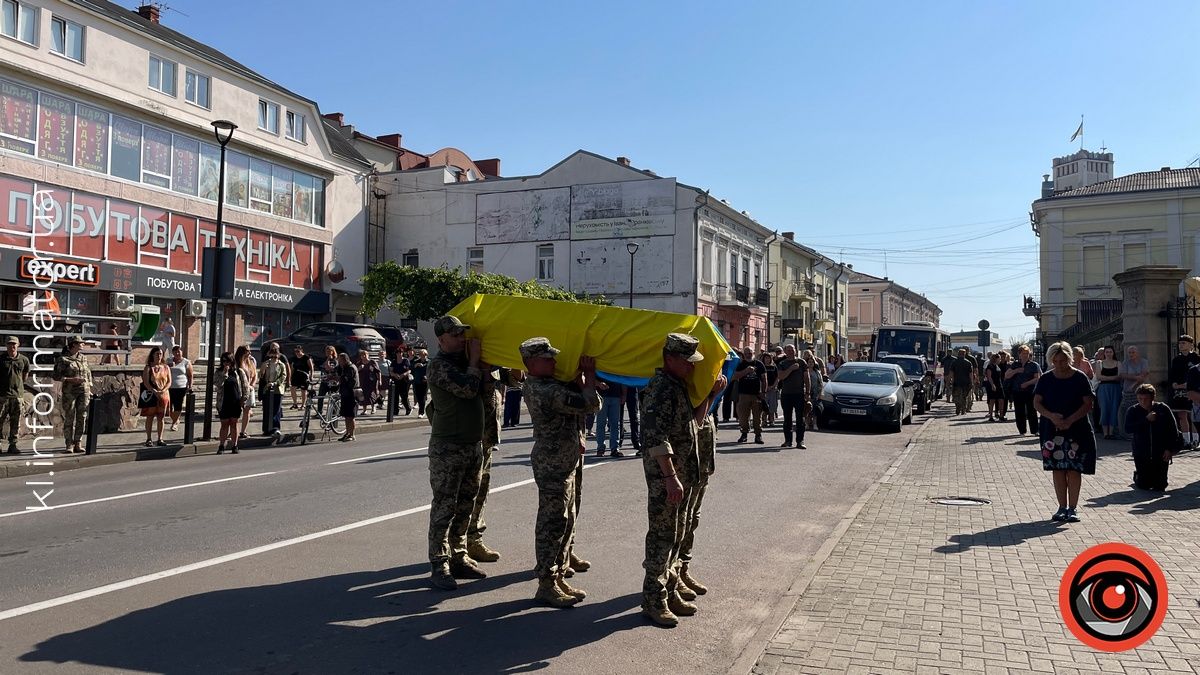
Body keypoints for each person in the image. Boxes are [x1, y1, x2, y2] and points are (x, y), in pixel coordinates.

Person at [639, 333, 724, 627]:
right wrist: (671, 477)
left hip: (683, 474)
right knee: (662, 537)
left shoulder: (678, 387)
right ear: (670, 359)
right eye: (687, 362)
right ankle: (653, 599)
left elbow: (693, 425)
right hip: (668, 477)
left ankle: (670, 588)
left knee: (676, 535)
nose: (692, 367)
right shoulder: (660, 389)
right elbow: (654, 436)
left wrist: (711, 396)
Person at [521, 336, 601, 607]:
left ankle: (557, 576)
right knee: (552, 524)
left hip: (562, 460)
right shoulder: (546, 390)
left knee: (565, 519)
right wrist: (588, 376)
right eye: (548, 358)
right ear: (532, 362)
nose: (554, 361)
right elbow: (591, 403)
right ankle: (546, 583)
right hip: (553, 462)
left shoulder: (547, 384)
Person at [425, 316, 486, 591]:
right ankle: (439, 564)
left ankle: (458, 555)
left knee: (466, 505)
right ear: (441, 339)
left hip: (471, 444)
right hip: (448, 447)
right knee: (444, 507)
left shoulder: (460, 362)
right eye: (455, 335)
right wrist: (475, 363)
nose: (461, 339)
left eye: (462, 334)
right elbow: (468, 389)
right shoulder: (438, 366)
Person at [1033, 341, 1096, 523]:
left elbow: (1088, 403)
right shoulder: (1045, 378)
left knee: (1074, 468)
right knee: (1058, 469)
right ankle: (1061, 507)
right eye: (1056, 361)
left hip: (1077, 428)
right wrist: (1051, 416)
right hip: (1052, 429)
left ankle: (1073, 508)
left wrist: (1069, 420)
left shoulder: (1080, 378)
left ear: (1069, 358)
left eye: (1063, 360)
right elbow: (1037, 402)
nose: (1059, 365)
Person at [467, 363, 516, 565]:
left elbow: (513, 380)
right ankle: (454, 546)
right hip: (467, 437)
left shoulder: (494, 360)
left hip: (487, 438)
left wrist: (515, 362)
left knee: (481, 492)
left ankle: (474, 540)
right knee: (463, 496)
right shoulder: (466, 361)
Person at [1125, 384, 1180, 491]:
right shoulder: (1133, 410)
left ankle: (1156, 478)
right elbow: (1128, 429)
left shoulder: (1163, 409)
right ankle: (1138, 476)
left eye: (1146, 399)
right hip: (1141, 453)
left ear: (1153, 398)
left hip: (1160, 452)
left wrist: (1169, 449)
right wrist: (1146, 420)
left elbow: (1173, 430)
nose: (1143, 401)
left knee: (1160, 486)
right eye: (1140, 398)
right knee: (1144, 485)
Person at [53, 335, 92, 454]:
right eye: (80, 342)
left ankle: (78, 442)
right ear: (73, 344)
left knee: (82, 417)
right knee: (69, 417)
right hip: (70, 391)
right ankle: (69, 444)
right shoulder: (63, 359)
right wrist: (70, 379)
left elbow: (88, 373)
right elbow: (56, 376)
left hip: (83, 391)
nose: (83, 344)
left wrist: (89, 387)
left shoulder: (83, 358)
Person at [775, 344, 810, 448]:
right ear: (785, 351)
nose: (790, 351)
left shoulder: (802, 362)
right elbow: (781, 376)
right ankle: (788, 441)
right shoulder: (782, 363)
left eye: (792, 349)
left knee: (800, 419)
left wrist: (808, 393)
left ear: (795, 350)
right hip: (786, 394)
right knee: (787, 419)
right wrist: (791, 369)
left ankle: (800, 441)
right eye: (788, 350)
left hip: (799, 394)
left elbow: (807, 378)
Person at [1168, 335, 1200, 448]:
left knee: (1194, 415)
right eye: (1180, 343)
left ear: (1191, 344)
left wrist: (1189, 384)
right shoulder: (1176, 359)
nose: (1181, 345)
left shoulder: (1196, 357)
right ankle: (1186, 440)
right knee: (1182, 415)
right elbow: (1172, 374)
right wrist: (1174, 384)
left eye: (1184, 343)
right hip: (1179, 390)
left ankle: (1196, 441)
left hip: (1193, 389)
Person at [0, 337, 28, 455]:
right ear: (6, 345)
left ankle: (13, 445)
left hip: (17, 396)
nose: (12, 346)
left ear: (18, 345)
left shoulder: (23, 360)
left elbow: (25, 375)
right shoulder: (1, 359)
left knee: (15, 422)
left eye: (14, 344)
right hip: (2, 396)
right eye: (10, 344)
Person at [1004, 344, 1041, 434]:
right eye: (1024, 353)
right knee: (1019, 411)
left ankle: (1034, 430)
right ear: (1019, 354)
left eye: (1027, 353)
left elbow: (1037, 378)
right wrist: (1016, 371)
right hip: (1017, 391)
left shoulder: (1033, 365)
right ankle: (1022, 430)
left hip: (1030, 391)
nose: (1026, 355)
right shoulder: (1015, 364)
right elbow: (1007, 375)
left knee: (1031, 411)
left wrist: (1027, 383)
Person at [732, 348, 765, 444]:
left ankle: (758, 435)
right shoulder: (741, 364)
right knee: (743, 417)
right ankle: (744, 434)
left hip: (757, 395)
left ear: (753, 353)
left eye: (750, 353)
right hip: (743, 394)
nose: (748, 355)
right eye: (746, 353)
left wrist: (764, 392)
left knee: (757, 416)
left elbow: (764, 378)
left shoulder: (759, 364)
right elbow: (734, 376)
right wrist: (745, 371)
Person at [216, 352, 247, 455]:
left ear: (232, 361)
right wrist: (225, 374)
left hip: (235, 401)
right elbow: (218, 384)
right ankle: (221, 445)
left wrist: (244, 399)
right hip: (223, 401)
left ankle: (235, 445)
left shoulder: (238, 372)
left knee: (234, 423)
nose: (226, 363)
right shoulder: (218, 372)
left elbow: (245, 386)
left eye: (228, 361)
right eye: (224, 361)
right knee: (224, 424)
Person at [140, 346, 171, 447]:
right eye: (157, 354)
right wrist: (154, 391)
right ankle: (149, 439)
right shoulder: (148, 368)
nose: (159, 356)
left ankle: (160, 439)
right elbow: (146, 382)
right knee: (150, 417)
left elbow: (169, 381)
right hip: (151, 395)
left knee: (161, 417)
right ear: (152, 355)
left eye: (161, 354)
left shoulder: (166, 367)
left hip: (164, 395)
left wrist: (164, 389)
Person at [1118, 345, 1149, 439]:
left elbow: (1144, 375)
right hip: (1127, 392)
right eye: (1129, 352)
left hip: (1140, 391)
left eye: (1133, 352)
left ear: (1138, 353)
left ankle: (1141, 432)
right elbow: (1123, 375)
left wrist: (1134, 384)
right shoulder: (1126, 362)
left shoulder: (1144, 362)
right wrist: (1135, 377)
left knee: (1140, 411)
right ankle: (1125, 433)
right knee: (1124, 411)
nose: (1131, 354)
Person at [259, 343, 288, 436]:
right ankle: (266, 429)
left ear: (278, 355)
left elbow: (283, 376)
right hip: (267, 389)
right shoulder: (266, 364)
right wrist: (263, 369)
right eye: (272, 356)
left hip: (278, 390)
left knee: (276, 409)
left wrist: (275, 383)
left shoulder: (281, 365)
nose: (273, 358)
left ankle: (275, 428)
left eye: (275, 356)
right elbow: (260, 376)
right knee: (267, 409)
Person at [1094, 345, 1122, 439]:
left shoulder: (1118, 363)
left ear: (1113, 353)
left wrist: (1107, 378)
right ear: (1104, 353)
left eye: (1110, 352)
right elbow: (1099, 377)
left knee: (1114, 408)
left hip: (1116, 388)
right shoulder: (1099, 363)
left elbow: (1119, 376)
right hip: (1103, 388)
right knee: (1104, 408)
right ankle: (1105, 433)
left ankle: (1111, 432)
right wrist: (1112, 378)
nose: (1109, 354)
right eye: (1107, 352)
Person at [595, 374, 625, 457]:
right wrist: (598, 384)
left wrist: (624, 394)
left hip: (616, 395)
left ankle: (615, 448)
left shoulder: (618, 364)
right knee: (601, 423)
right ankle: (600, 448)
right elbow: (591, 377)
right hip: (601, 396)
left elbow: (623, 378)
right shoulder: (600, 362)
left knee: (615, 424)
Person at [166, 346, 193, 433]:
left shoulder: (186, 362)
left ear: (182, 352)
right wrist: (167, 366)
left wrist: (190, 386)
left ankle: (174, 423)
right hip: (169, 387)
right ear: (173, 353)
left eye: (179, 351)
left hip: (181, 387)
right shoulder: (169, 360)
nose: (177, 353)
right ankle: (176, 420)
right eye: (175, 352)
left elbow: (190, 375)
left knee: (178, 406)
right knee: (168, 407)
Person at [234, 345, 258, 440]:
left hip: (249, 389)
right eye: (248, 351)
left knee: (247, 410)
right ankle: (233, 430)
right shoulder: (236, 363)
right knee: (237, 410)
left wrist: (252, 385)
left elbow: (255, 375)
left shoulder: (250, 362)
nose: (250, 353)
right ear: (242, 352)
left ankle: (243, 431)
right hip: (239, 389)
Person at [336, 351, 359, 442]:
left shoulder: (350, 368)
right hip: (345, 394)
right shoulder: (345, 368)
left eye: (340, 360)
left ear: (345, 360)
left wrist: (338, 378)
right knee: (346, 415)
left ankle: (352, 434)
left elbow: (347, 380)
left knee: (351, 416)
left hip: (351, 394)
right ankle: (347, 433)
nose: (339, 362)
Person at [948, 348, 976, 416]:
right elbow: (971, 374)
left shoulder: (954, 362)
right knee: (964, 397)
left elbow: (951, 372)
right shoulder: (968, 363)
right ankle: (963, 409)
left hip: (957, 382)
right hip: (966, 383)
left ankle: (958, 406)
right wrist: (972, 382)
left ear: (958, 354)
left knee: (956, 396)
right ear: (964, 354)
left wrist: (948, 381)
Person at [355, 350, 381, 416]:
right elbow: (355, 372)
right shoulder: (359, 363)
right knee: (363, 395)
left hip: (372, 382)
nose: (363, 356)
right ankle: (364, 410)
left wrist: (380, 380)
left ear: (368, 355)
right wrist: (359, 369)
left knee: (372, 395)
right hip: (363, 382)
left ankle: (373, 408)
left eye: (365, 355)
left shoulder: (372, 362)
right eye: (362, 355)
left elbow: (378, 371)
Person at [289, 345, 314, 411]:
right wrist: (290, 377)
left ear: (301, 350)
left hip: (304, 375)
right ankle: (295, 403)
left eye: (298, 351)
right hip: (296, 375)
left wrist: (311, 375)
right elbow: (292, 368)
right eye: (295, 351)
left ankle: (303, 405)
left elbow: (311, 368)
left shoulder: (306, 357)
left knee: (303, 390)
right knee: (292, 388)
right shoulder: (294, 358)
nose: (297, 352)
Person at [316, 345, 340, 415]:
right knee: (321, 396)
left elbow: (329, 368)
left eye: (329, 351)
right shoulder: (324, 359)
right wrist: (327, 360)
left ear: (333, 352)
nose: (328, 353)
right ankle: (319, 411)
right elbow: (324, 367)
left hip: (333, 382)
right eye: (326, 351)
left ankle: (334, 412)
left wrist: (329, 360)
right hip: (324, 381)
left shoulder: (336, 361)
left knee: (334, 397)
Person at [804, 350, 823, 430]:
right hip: (806, 393)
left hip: (815, 393)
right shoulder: (805, 371)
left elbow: (820, 383)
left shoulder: (817, 372)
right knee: (806, 409)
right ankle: (806, 424)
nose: (811, 363)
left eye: (812, 362)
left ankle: (815, 424)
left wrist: (820, 393)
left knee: (814, 410)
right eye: (809, 362)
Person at [390, 347, 413, 416]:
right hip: (396, 380)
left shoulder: (405, 361)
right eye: (398, 353)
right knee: (395, 396)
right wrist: (395, 375)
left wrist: (403, 374)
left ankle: (408, 408)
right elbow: (391, 371)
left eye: (400, 353)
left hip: (404, 380)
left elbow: (409, 370)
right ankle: (395, 411)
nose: (399, 354)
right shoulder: (394, 361)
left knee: (404, 396)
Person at [984, 353, 1005, 422]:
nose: (1000, 359)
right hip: (992, 385)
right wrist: (992, 385)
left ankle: (1001, 416)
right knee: (992, 400)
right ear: (995, 359)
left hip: (999, 385)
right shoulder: (990, 366)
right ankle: (991, 416)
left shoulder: (997, 366)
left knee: (1001, 400)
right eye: (999, 358)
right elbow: (989, 376)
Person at [761, 353, 779, 427]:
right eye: (766, 358)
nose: (767, 359)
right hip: (764, 389)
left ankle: (771, 420)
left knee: (772, 406)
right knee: (764, 406)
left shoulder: (774, 367)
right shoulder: (762, 367)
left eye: (768, 358)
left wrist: (773, 386)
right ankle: (764, 421)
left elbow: (777, 378)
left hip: (772, 389)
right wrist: (765, 387)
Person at [411, 348, 430, 418]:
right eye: (421, 354)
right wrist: (416, 365)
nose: (422, 356)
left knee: (423, 397)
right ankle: (421, 407)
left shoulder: (429, 362)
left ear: (426, 355)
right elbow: (411, 369)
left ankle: (421, 412)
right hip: (417, 381)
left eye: (424, 354)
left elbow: (431, 371)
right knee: (418, 397)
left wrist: (427, 377)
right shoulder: (416, 361)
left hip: (425, 382)